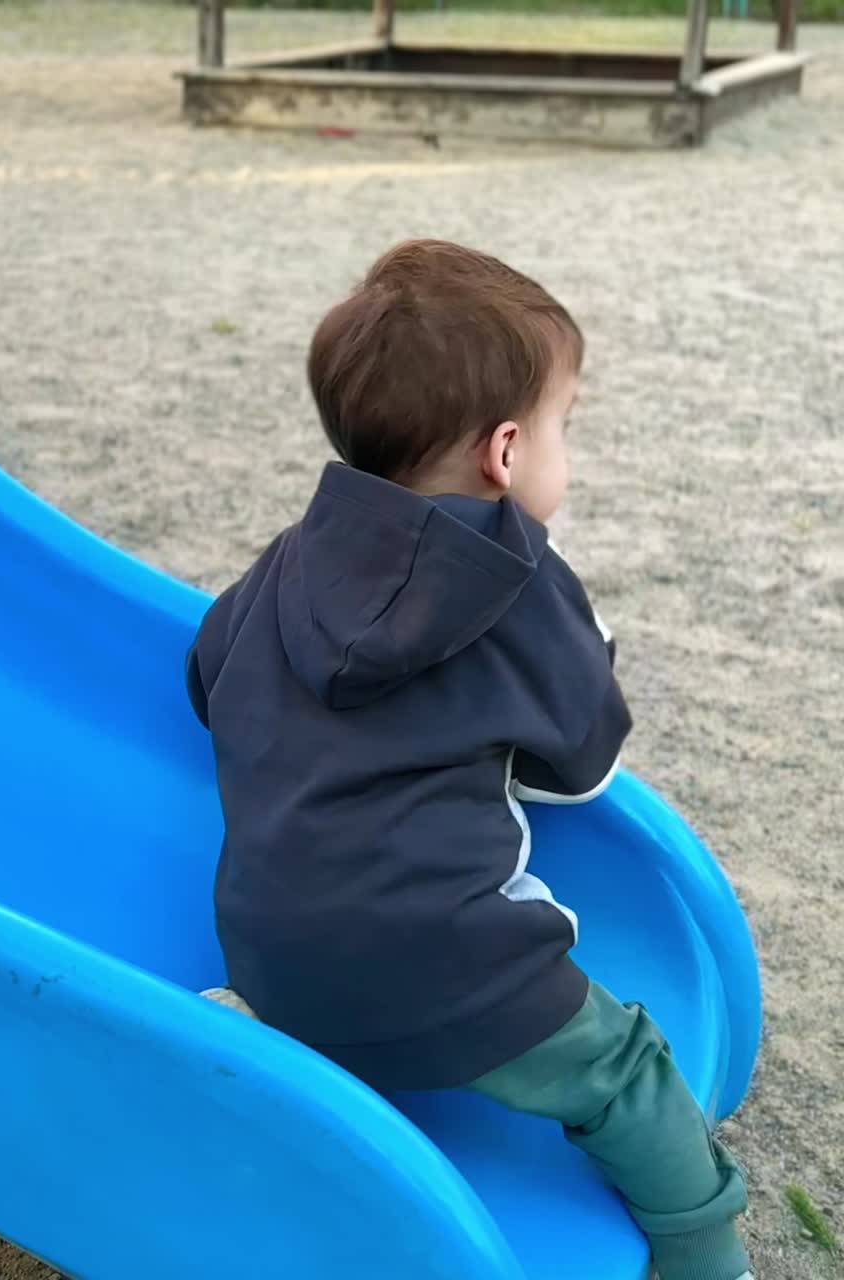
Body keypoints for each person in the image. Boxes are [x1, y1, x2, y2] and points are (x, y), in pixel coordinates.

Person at [186, 240, 751, 1280]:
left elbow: (206, 675)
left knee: (333, 989)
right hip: (441, 960)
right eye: (561, 428)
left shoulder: (285, 559)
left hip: (263, 951)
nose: (563, 455)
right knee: (625, 1068)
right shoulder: (519, 583)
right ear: (501, 453)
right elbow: (580, 763)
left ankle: (286, 1038)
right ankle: (703, 1246)